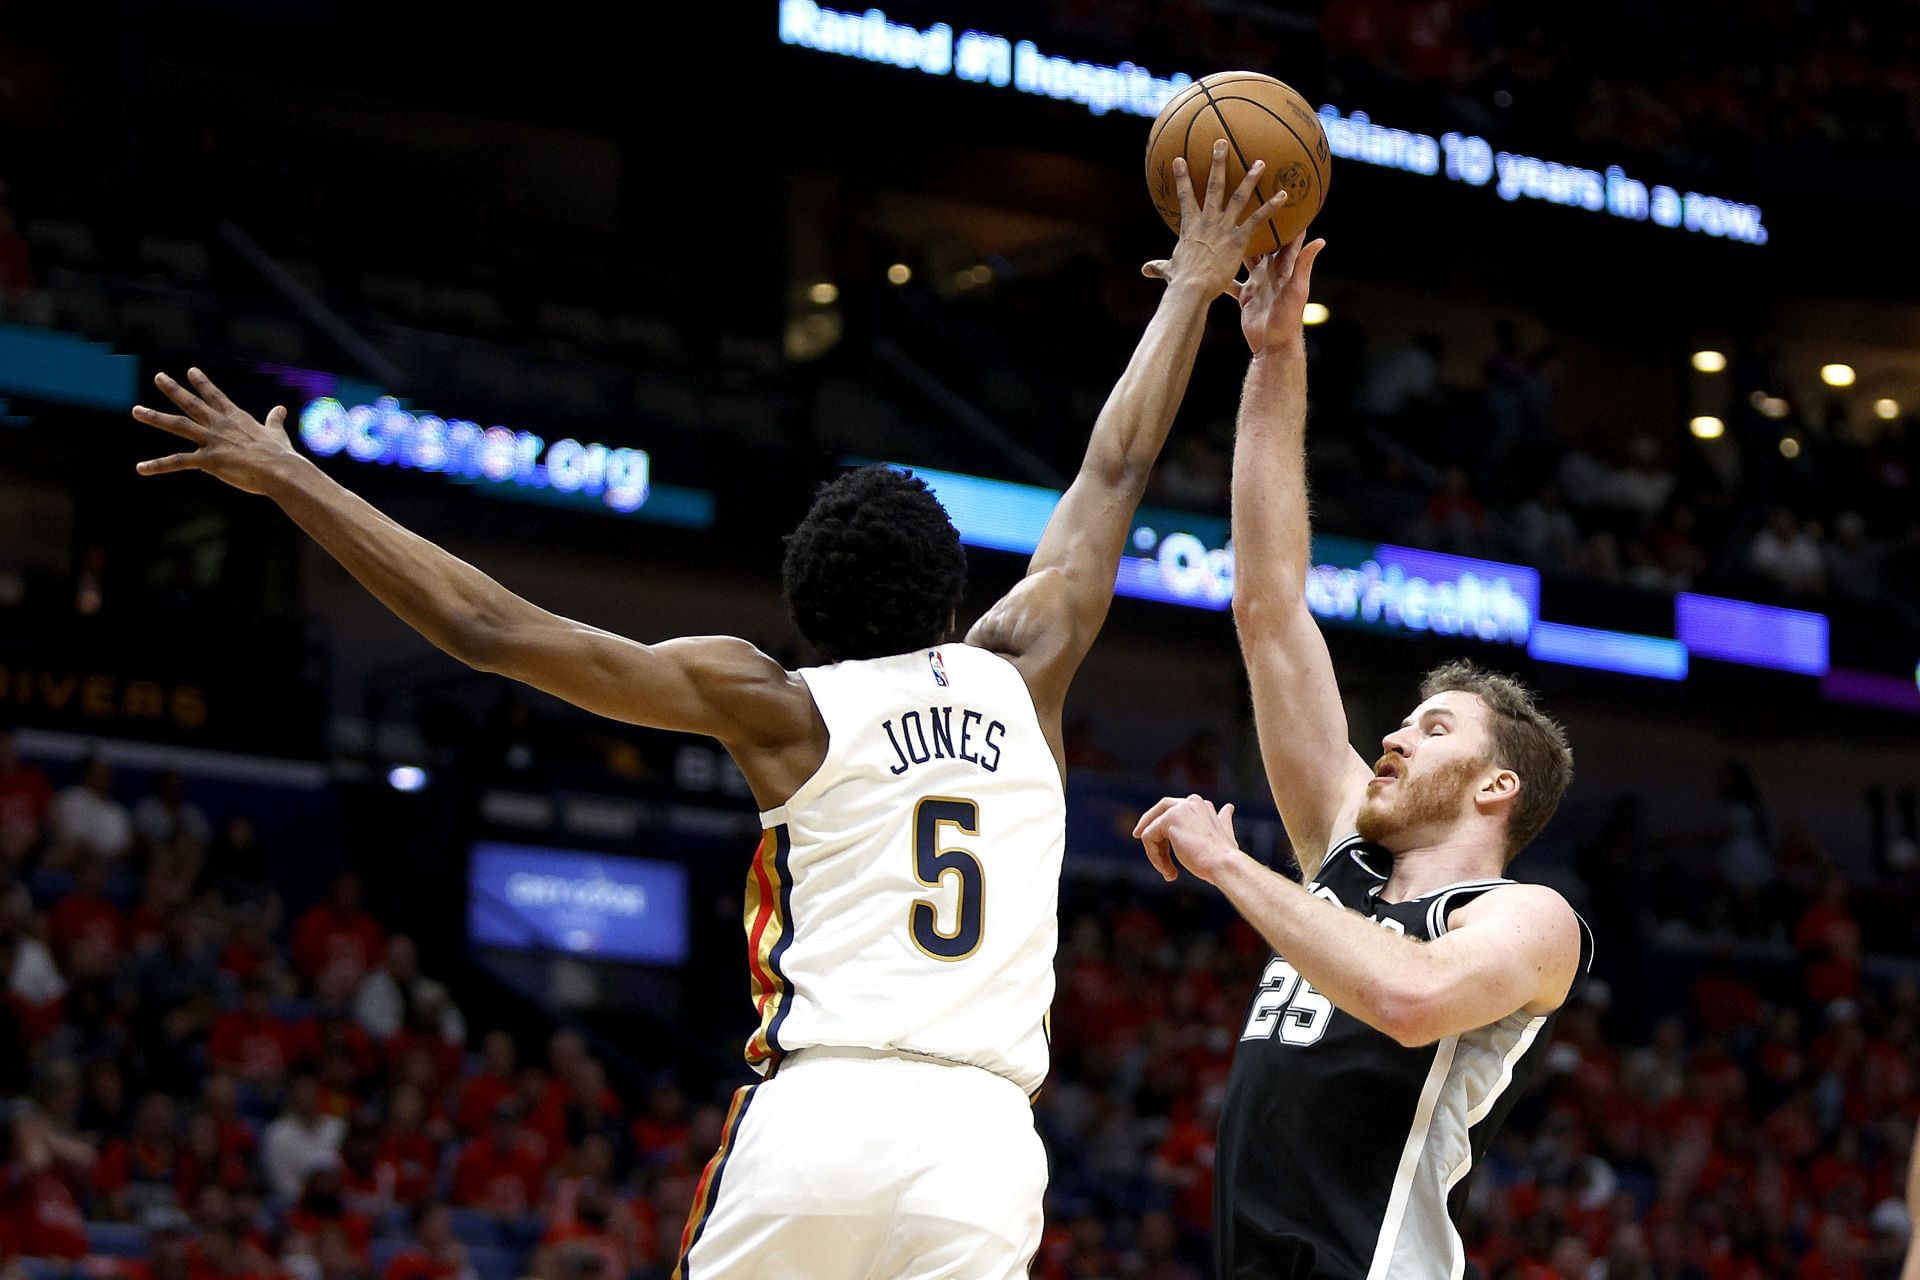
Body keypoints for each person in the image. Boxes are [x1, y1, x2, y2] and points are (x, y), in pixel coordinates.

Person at [130, 141, 1290, 1279]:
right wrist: (1190, 286)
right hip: (981, 1135)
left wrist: (295, 477)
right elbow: (1112, 468)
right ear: (951, 594)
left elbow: (487, 629)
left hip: (823, 1106)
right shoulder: (1025, 660)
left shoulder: (777, 702)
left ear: (807, 614)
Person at [1132, 235, 1593, 1280]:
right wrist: (1274, 356)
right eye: (1402, 720)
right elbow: (1268, 605)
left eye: (1434, 729)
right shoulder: (1345, 855)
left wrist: (1231, 862)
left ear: (1497, 784)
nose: (1392, 734)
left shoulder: (1530, 919)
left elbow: (1412, 999)